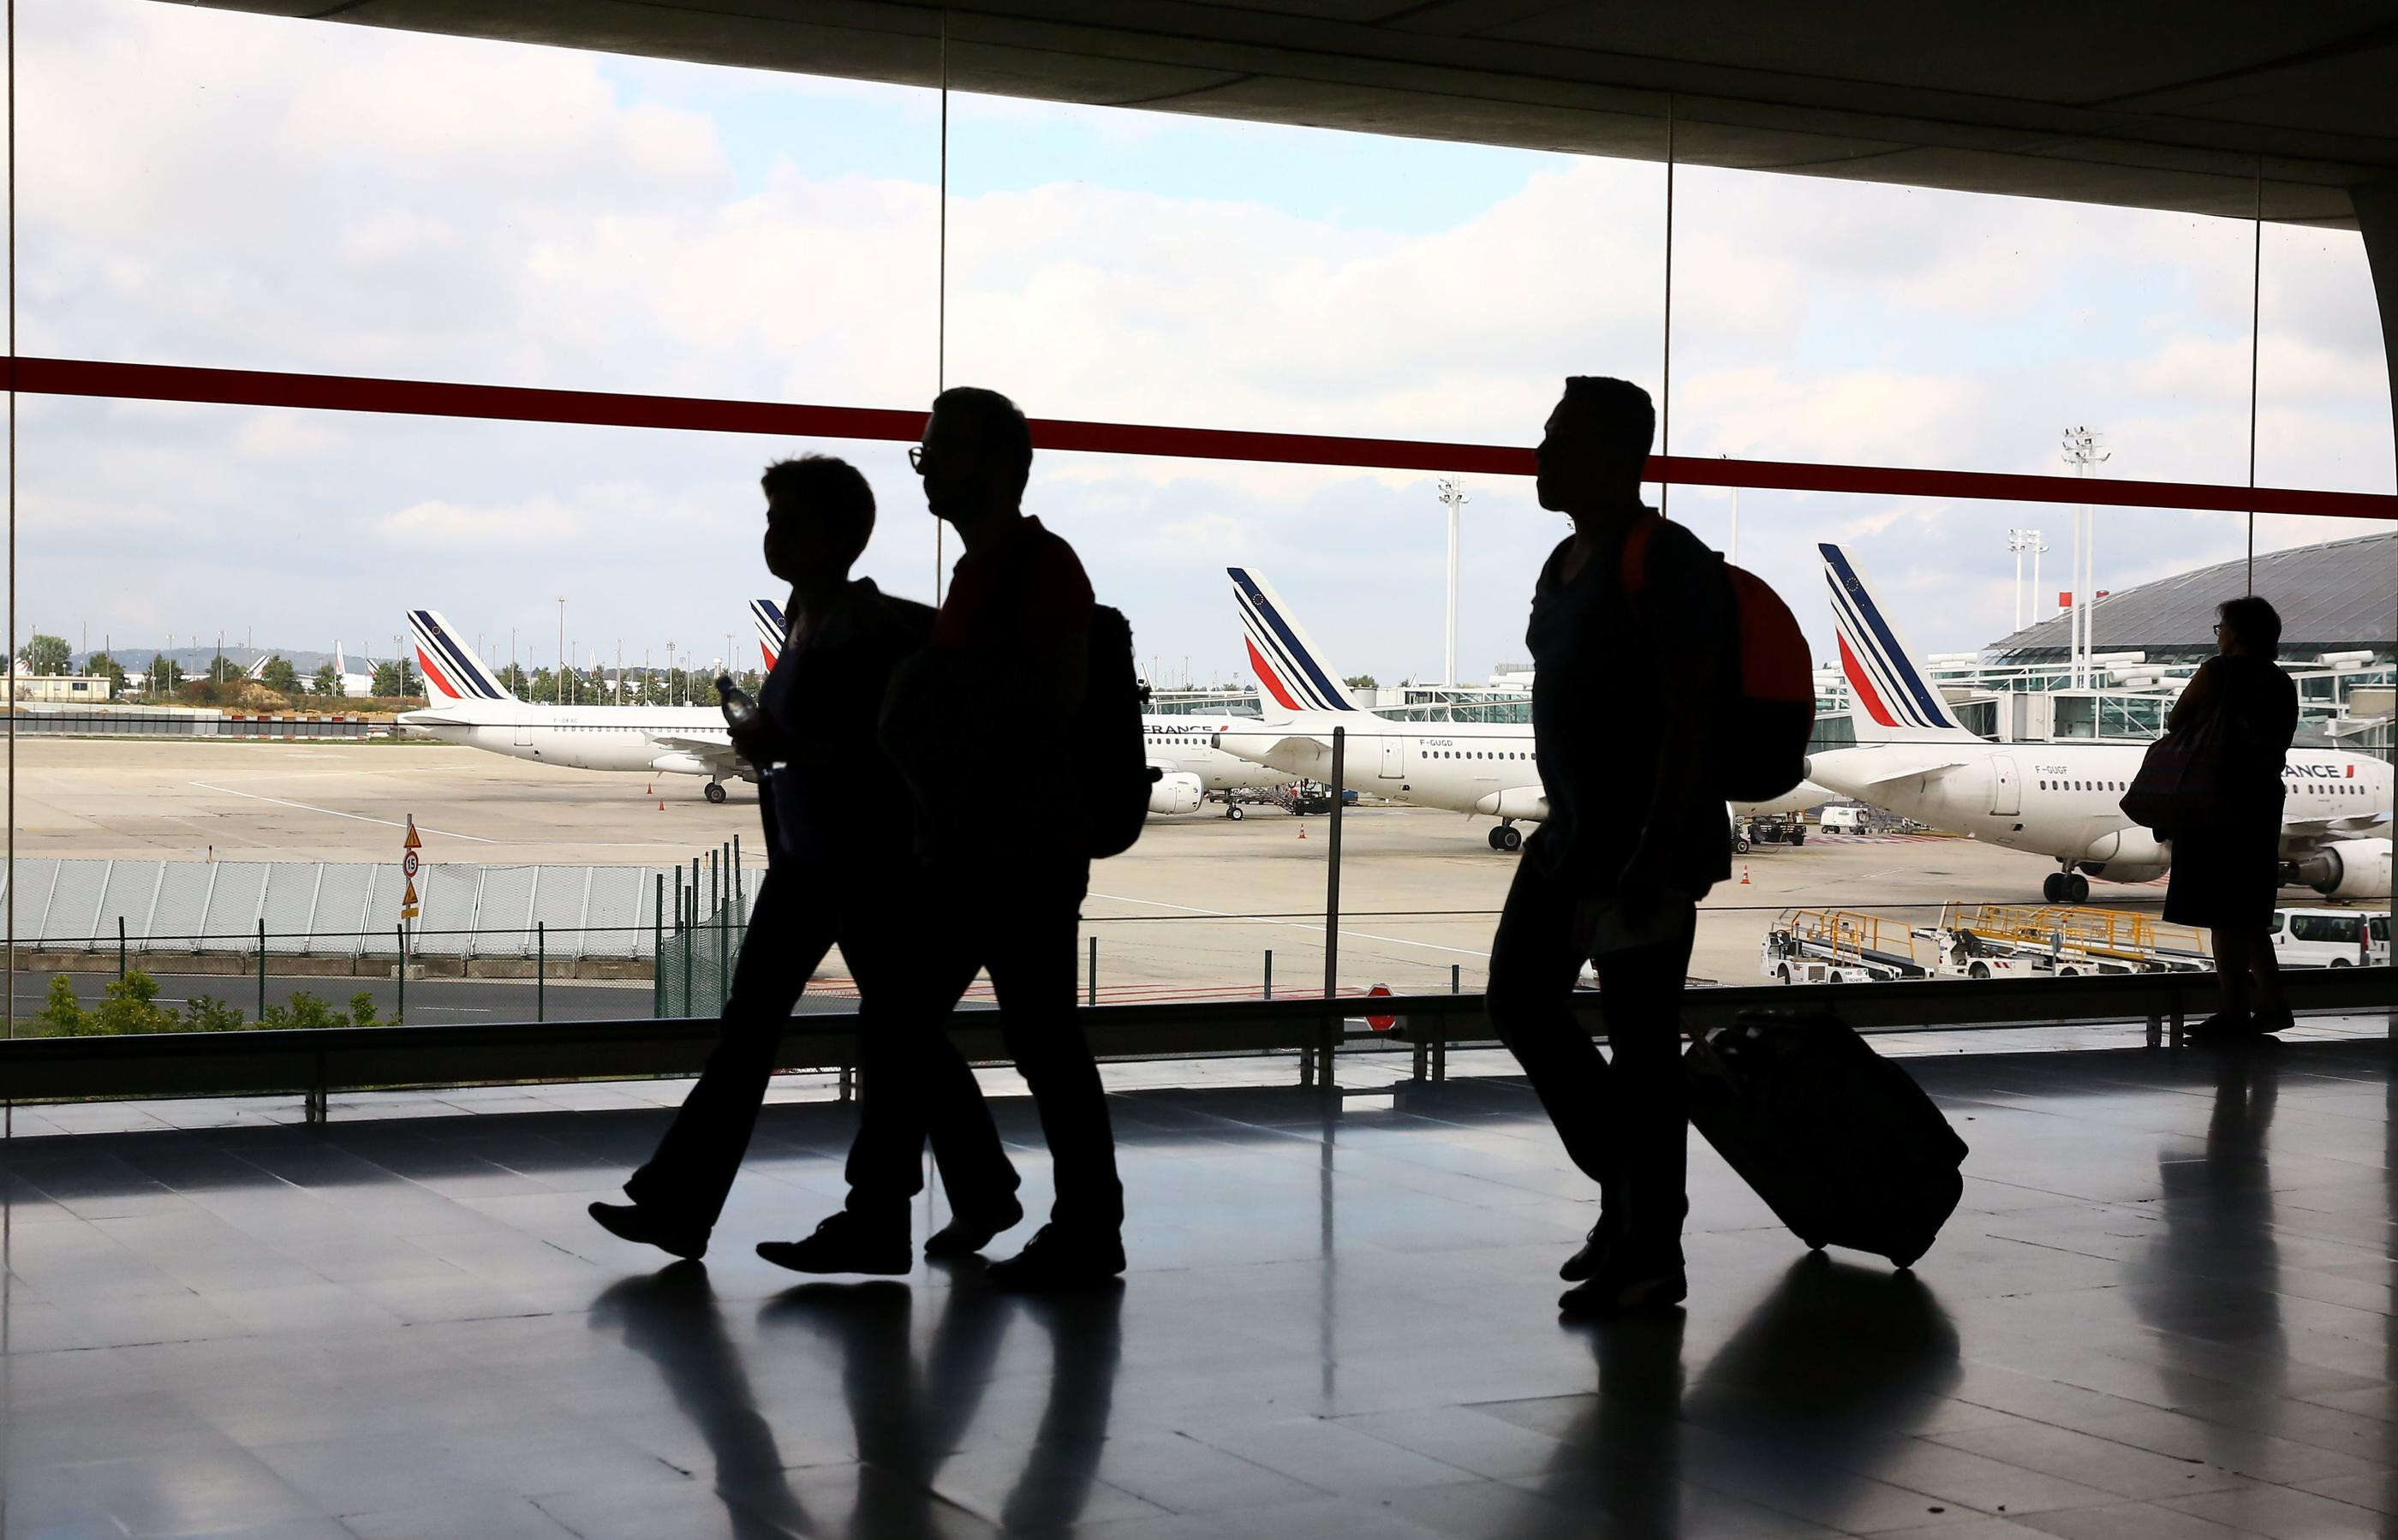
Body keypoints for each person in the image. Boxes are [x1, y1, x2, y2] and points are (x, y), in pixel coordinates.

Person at [589, 454, 1017, 1267]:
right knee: (870, 1033)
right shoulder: (806, 618)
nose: (771, 535)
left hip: (868, 866)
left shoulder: (874, 632)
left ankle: (875, 1212)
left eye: (786, 520)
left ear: (840, 534)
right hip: (809, 861)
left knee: (875, 1034)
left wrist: (783, 745)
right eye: (770, 520)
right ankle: (955, 1196)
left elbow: (890, 754)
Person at [862, 385, 1127, 1291]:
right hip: (987, 846)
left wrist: (937, 679)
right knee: (1002, 1033)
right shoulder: (987, 570)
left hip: (1011, 849)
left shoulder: (1035, 565)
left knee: (939, 1024)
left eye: (939, 449)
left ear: (997, 464)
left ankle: (1046, 1216)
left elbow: (1048, 694)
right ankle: (1023, 1207)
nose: (926, 464)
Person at [1488, 375, 1730, 1317]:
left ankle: (1648, 1248)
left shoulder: (1663, 559)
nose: (1539, 454)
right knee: (1518, 1002)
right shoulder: (1564, 562)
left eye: (1556, 437)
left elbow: (1689, 716)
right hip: (1573, 837)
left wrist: (1659, 842)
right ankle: (1627, 1198)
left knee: (1639, 1047)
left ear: (1613, 455)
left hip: (1642, 846)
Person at [2162, 594, 2298, 1036]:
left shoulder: (2219, 672)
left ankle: (2234, 1011)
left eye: (2221, 628)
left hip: (2215, 800)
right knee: (2249, 913)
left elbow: (2177, 720)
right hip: (2260, 804)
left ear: (2236, 633)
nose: (2218, 636)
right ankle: (2274, 1004)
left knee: (2224, 915)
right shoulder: (2281, 682)